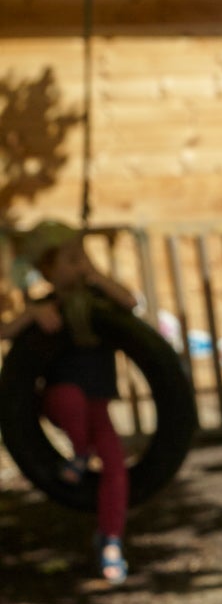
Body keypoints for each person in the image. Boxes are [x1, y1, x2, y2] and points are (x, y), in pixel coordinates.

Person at [3, 220, 138, 584]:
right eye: (70, 259)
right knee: (70, 398)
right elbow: (5, 332)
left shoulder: (101, 305)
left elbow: (131, 301)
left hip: (99, 407)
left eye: (83, 258)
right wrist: (30, 313)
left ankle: (110, 540)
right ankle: (79, 452)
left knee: (114, 466)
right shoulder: (47, 307)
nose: (79, 266)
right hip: (61, 399)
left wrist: (95, 276)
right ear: (47, 269)